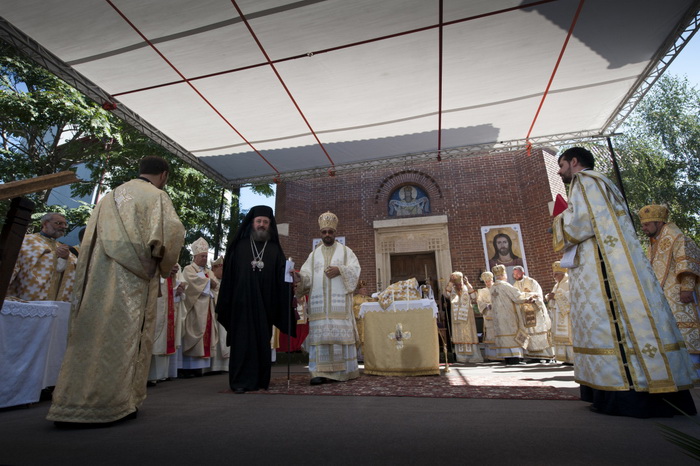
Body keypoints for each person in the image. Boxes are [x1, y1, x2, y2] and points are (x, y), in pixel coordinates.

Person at [552, 146, 696, 417]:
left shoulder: (585, 180)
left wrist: (557, 221)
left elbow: (580, 223)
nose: (560, 172)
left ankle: (626, 393)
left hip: (603, 267)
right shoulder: (605, 183)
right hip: (618, 262)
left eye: (561, 165)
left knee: (610, 321)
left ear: (574, 161)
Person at [47, 155, 185, 426]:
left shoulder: (109, 198)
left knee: (91, 336)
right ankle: (115, 403)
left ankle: (70, 403)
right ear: (164, 175)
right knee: (123, 339)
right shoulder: (157, 197)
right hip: (131, 284)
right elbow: (170, 235)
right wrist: (163, 266)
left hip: (98, 279)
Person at [215, 205, 296, 394]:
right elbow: (229, 278)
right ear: (252, 223)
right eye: (258, 221)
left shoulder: (275, 249)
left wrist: (290, 280)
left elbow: (282, 279)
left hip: (265, 306)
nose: (262, 225)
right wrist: (229, 301)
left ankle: (260, 381)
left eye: (265, 222)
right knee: (242, 342)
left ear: (270, 225)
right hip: (241, 305)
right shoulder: (239, 246)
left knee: (261, 342)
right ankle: (240, 382)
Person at [293, 211, 361, 385]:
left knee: (339, 339)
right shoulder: (313, 255)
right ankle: (318, 372)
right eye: (324, 232)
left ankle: (343, 372)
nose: (327, 235)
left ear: (335, 232)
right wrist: (300, 277)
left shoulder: (346, 252)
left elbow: (355, 270)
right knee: (320, 340)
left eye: (330, 232)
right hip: (320, 307)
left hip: (339, 308)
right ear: (320, 233)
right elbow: (307, 276)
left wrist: (340, 270)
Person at [639, 204, 700, 378]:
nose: (644, 228)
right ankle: (677, 372)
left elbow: (688, 262)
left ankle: (694, 372)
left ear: (659, 222)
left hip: (680, 296)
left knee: (685, 332)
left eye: (647, 225)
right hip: (662, 296)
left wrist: (686, 288)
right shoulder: (653, 243)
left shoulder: (678, 237)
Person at [8, 212, 78, 302]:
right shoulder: (27, 240)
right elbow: (20, 260)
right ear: (45, 224)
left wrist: (65, 258)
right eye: (59, 223)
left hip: (54, 300)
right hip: (27, 294)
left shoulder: (61, 246)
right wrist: (55, 255)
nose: (63, 227)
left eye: (65, 224)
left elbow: (73, 265)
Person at [180, 238, 218, 377]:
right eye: (202, 256)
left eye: (206, 256)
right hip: (195, 308)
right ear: (195, 256)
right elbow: (192, 284)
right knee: (194, 333)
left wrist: (210, 284)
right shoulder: (188, 269)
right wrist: (208, 283)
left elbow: (216, 286)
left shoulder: (209, 271)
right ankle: (188, 368)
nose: (204, 258)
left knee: (206, 335)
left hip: (207, 308)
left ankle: (200, 368)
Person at [489, 264, 536, 365]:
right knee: (512, 335)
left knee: (503, 336)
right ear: (503, 275)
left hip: (498, 318)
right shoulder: (505, 285)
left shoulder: (493, 287)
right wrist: (529, 297)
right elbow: (517, 297)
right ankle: (515, 357)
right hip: (508, 316)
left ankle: (507, 358)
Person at [147, 264, 181, 386]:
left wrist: (177, 285)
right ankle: (146, 376)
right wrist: (164, 269)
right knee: (151, 333)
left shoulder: (174, 263)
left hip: (165, 298)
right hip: (153, 297)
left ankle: (155, 376)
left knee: (160, 337)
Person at [512, 266, 554, 362]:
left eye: (517, 274)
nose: (516, 276)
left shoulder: (532, 282)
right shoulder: (514, 285)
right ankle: (532, 356)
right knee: (529, 333)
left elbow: (538, 294)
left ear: (523, 273)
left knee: (539, 332)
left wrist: (534, 299)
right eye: (514, 274)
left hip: (535, 311)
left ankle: (546, 355)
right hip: (524, 313)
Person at [445, 271, 483, 363]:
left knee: (469, 334)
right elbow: (446, 295)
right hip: (457, 318)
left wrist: (468, 284)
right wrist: (450, 283)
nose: (459, 286)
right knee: (459, 335)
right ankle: (461, 357)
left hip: (468, 317)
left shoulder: (466, 288)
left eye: (460, 284)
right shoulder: (452, 290)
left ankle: (473, 357)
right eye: (457, 284)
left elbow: (474, 296)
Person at [544, 261, 574, 364]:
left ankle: (572, 358)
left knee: (569, 336)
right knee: (560, 337)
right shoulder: (557, 285)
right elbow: (554, 296)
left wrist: (555, 296)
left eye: (556, 274)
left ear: (562, 274)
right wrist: (549, 297)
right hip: (557, 314)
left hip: (567, 316)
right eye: (554, 274)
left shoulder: (568, 282)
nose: (554, 276)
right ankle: (565, 358)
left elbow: (570, 297)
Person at [207, 256, 230, 373]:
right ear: (214, 269)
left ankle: (223, 366)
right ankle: (214, 366)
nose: (223, 272)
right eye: (221, 269)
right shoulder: (212, 280)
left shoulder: (225, 281)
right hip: (214, 314)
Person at [352, 280, 375, 362]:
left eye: (366, 289)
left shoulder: (370, 299)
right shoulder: (354, 299)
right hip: (359, 322)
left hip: (367, 322)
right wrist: (359, 310)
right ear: (359, 290)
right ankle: (359, 356)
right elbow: (351, 309)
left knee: (367, 337)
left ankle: (367, 356)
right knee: (359, 337)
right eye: (363, 289)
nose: (365, 291)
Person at [476, 271, 496, 360]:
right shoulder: (482, 291)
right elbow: (479, 301)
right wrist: (486, 305)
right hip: (488, 313)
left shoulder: (497, 288)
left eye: (489, 281)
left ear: (492, 280)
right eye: (486, 282)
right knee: (490, 332)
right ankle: (491, 355)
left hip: (498, 313)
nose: (487, 283)